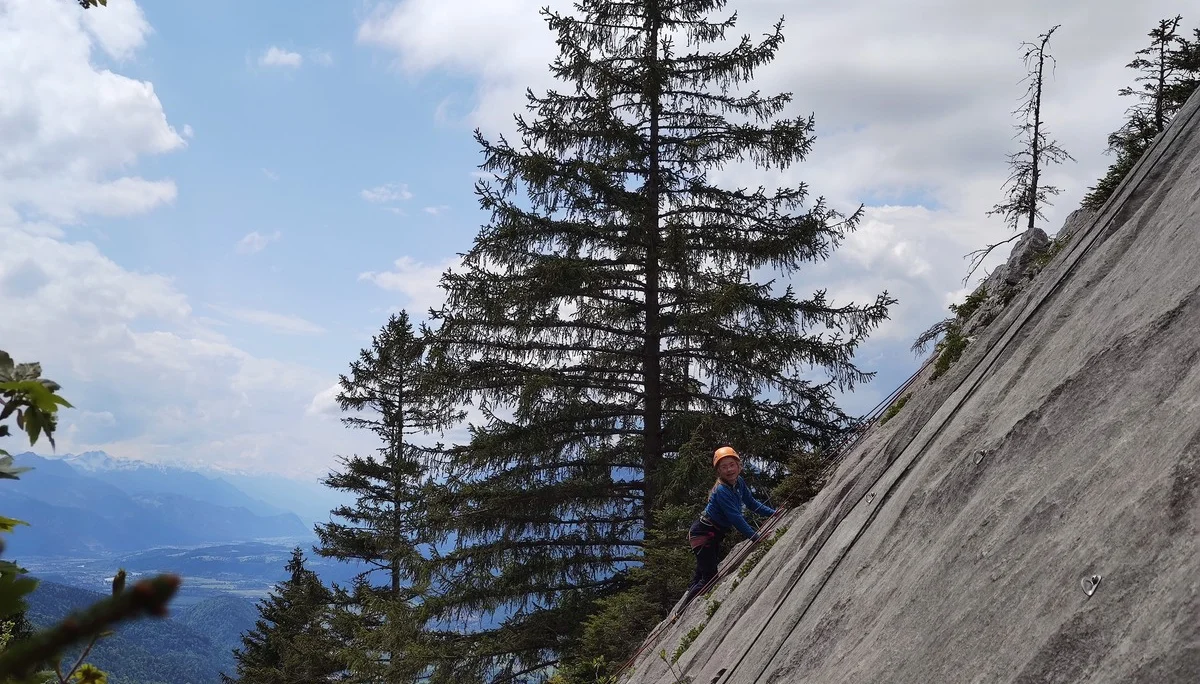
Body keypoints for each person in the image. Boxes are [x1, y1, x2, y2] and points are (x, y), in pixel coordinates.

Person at [683, 445, 776, 605]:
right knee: (710, 577)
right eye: (724, 467)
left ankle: (682, 609)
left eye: (732, 465)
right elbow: (735, 518)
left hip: (708, 534)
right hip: (704, 534)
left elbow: (752, 503)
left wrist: (773, 513)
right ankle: (681, 613)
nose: (729, 470)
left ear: (739, 466)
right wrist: (756, 537)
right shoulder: (721, 491)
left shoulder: (738, 483)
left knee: (702, 574)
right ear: (719, 471)